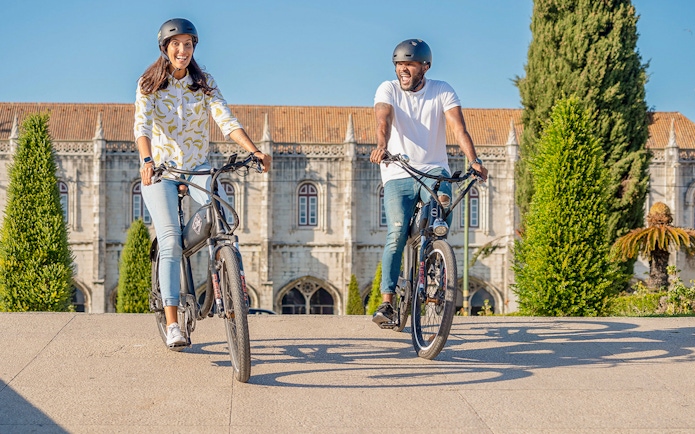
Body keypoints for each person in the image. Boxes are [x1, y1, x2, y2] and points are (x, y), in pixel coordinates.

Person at [134, 18, 271, 347]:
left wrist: (254, 151)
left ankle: (230, 291)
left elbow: (225, 118)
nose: (183, 50)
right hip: (162, 171)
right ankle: (172, 324)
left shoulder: (204, 82)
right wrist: (147, 160)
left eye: (188, 44)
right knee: (169, 240)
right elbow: (142, 125)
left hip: (198, 167)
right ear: (165, 48)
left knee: (223, 226)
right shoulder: (149, 83)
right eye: (176, 44)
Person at [369, 39, 488, 325]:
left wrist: (473, 160)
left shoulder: (442, 90)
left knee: (439, 210)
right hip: (399, 170)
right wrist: (382, 145)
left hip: (434, 169)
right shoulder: (388, 88)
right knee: (396, 232)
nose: (403, 70)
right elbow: (383, 120)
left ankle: (434, 253)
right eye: (399, 65)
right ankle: (386, 302)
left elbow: (458, 128)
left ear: (425, 66)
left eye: (409, 64)